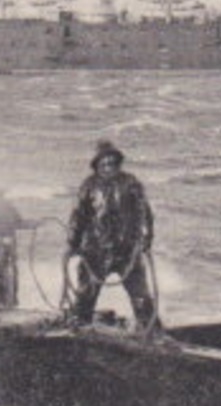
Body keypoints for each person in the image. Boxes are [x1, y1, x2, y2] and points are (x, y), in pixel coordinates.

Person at [65, 141, 157, 330]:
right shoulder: (88, 186)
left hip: (127, 251)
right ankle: (79, 329)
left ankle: (151, 331)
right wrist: (72, 244)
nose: (108, 167)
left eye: (112, 163)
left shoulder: (131, 183)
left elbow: (144, 213)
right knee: (85, 295)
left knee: (141, 296)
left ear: (117, 163)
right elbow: (78, 217)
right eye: (104, 163)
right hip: (95, 251)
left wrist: (146, 240)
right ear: (97, 165)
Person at [0, 188, 32, 309]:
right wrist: (2, 240)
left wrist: (35, 224)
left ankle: (9, 304)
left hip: (1, 247)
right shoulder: (6, 207)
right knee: (4, 275)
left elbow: (19, 223)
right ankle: (7, 303)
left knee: (5, 275)